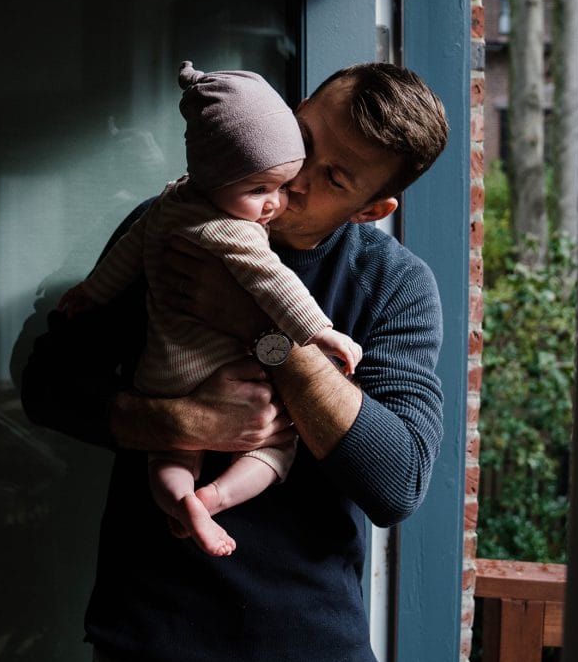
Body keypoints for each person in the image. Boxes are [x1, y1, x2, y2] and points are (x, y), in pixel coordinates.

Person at [21, 60, 449, 662]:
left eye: (333, 177)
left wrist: (261, 328)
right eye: (303, 138)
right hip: (155, 654)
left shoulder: (394, 284)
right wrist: (180, 421)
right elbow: (46, 385)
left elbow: (396, 480)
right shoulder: (172, 224)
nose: (294, 178)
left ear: (373, 208)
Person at [58, 61, 362, 558]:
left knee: (166, 459)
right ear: (215, 176)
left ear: (373, 207)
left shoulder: (168, 203)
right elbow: (273, 280)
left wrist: (92, 291)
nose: (278, 202)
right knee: (274, 446)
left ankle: (182, 502)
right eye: (260, 190)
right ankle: (213, 498)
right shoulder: (233, 229)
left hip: (159, 372)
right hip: (214, 367)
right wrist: (318, 333)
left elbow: (128, 254)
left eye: (282, 186)